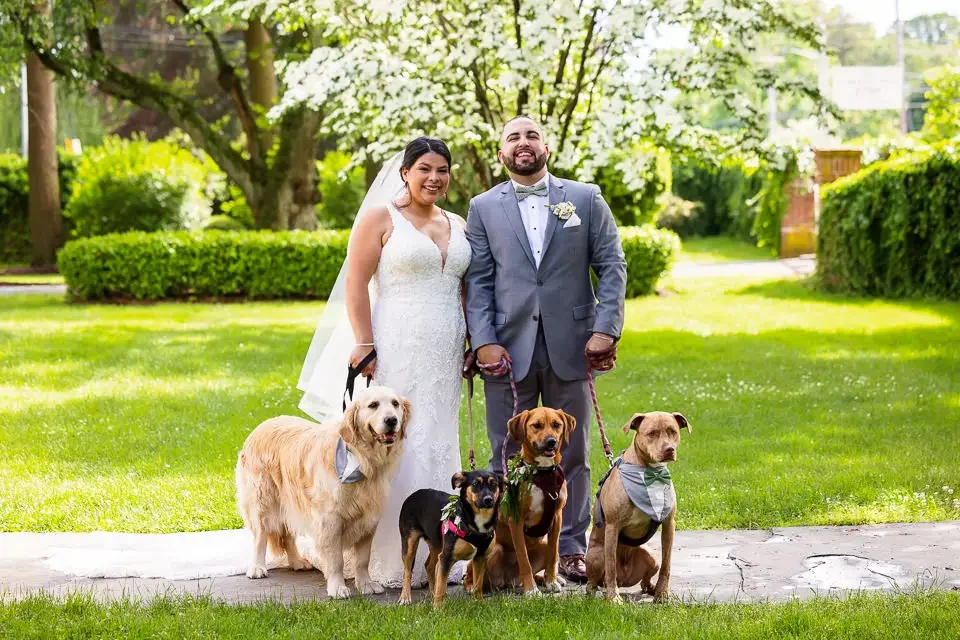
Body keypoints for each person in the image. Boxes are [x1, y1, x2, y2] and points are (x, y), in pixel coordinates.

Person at [297, 137, 472, 588]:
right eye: (424, 169)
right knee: (393, 441)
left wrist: (472, 341)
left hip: (446, 348)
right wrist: (363, 341)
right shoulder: (381, 218)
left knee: (436, 434)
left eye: (442, 170)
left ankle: (440, 549)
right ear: (405, 173)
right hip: (395, 341)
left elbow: (465, 290)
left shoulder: (458, 222)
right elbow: (356, 282)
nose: (434, 178)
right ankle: (386, 556)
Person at [464, 115, 627, 583]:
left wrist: (605, 328)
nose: (523, 143)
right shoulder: (482, 207)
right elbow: (478, 280)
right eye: (513, 137)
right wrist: (486, 341)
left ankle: (572, 546)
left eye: (531, 135)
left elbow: (612, 265)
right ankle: (494, 544)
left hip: (572, 344)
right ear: (501, 153)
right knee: (503, 450)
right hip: (506, 349)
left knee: (570, 452)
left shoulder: (584, 198)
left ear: (547, 147)